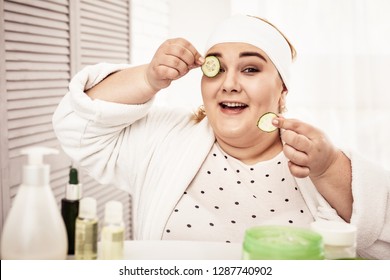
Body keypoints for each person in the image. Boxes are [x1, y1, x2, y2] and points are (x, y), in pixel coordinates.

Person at [52, 15, 390, 259]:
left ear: (282, 88)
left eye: (250, 69)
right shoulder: (163, 139)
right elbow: (75, 127)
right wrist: (149, 77)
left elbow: (380, 239)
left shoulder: (314, 158)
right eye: (216, 68)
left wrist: (330, 167)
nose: (229, 83)